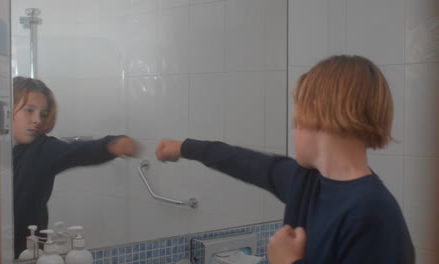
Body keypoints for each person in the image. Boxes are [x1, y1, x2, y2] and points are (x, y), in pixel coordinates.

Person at [155, 55, 415, 264]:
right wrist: (184, 147)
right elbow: (241, 161)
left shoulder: (374, 214)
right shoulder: (305, 181)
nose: (294, 130)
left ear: (319, 116)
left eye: (297, 121)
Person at [12, 76, 138, 257]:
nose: (37, 120)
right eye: (29, 111)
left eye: (43, 114)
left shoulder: (43, 149)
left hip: (30, 253)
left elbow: (79, 151)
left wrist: (111, 145)